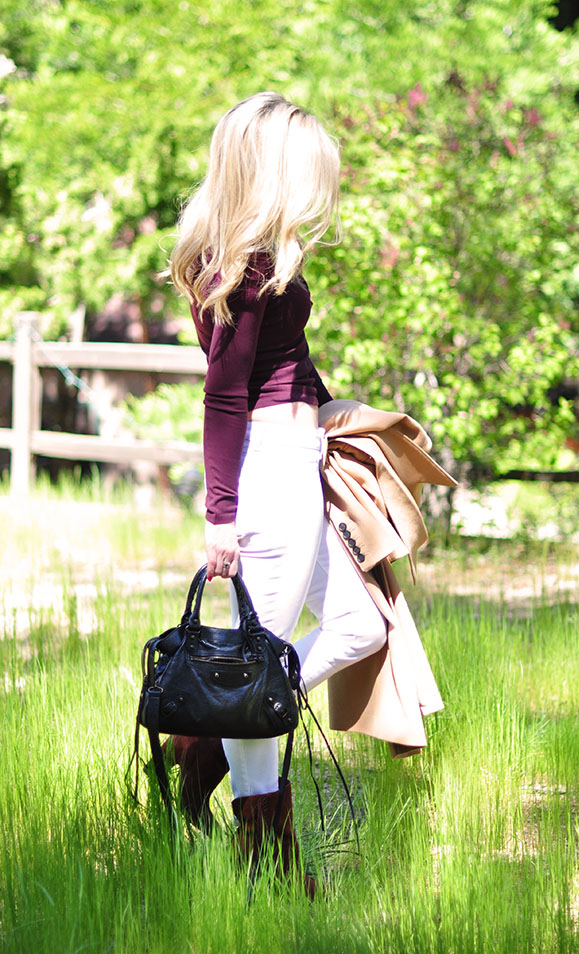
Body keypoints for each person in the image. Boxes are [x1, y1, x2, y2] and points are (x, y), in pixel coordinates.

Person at [168, 92, 387, 889]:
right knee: (259, 664)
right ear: (272, 171)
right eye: (309, 175)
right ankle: (271, 865)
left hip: (297, 454)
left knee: (359, 624)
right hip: (265, 468)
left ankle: (202, 745)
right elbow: (223, 395)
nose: (319, 193)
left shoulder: (266, 257)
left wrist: (336, 418)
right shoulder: (245, 265)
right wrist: (220, 515)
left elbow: (287, 358)